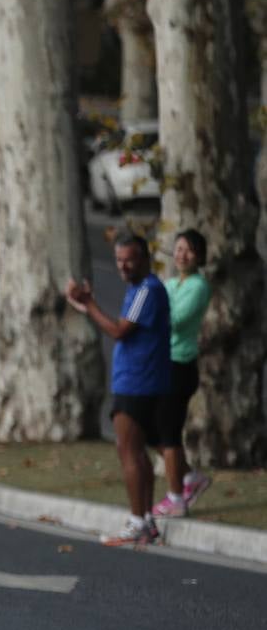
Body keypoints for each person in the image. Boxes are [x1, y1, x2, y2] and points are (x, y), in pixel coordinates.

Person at [65, 232, 172, 547]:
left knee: (129, 452)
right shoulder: (139, 289)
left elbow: (119, 331)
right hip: (140, 382)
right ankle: (146, 520)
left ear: (145, 259)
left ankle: (138, 521)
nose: (124, 265)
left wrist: (89, 303)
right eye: (119, 259)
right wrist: (87, 306)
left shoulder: (147, 289)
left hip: (137, 383)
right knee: (137, 453)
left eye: (130, 259)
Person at [151, 229, 213, 518]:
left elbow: (174, 320)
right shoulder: (170, 284)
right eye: (177, 249)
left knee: (169, 433)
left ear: (198, 256)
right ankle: (190, 478)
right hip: (161, 364)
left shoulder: (198, 287)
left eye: (188, 250)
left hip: (180, 366)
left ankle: (176, 498)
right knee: (151, 431)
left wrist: (153, 310)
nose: (181, 255)